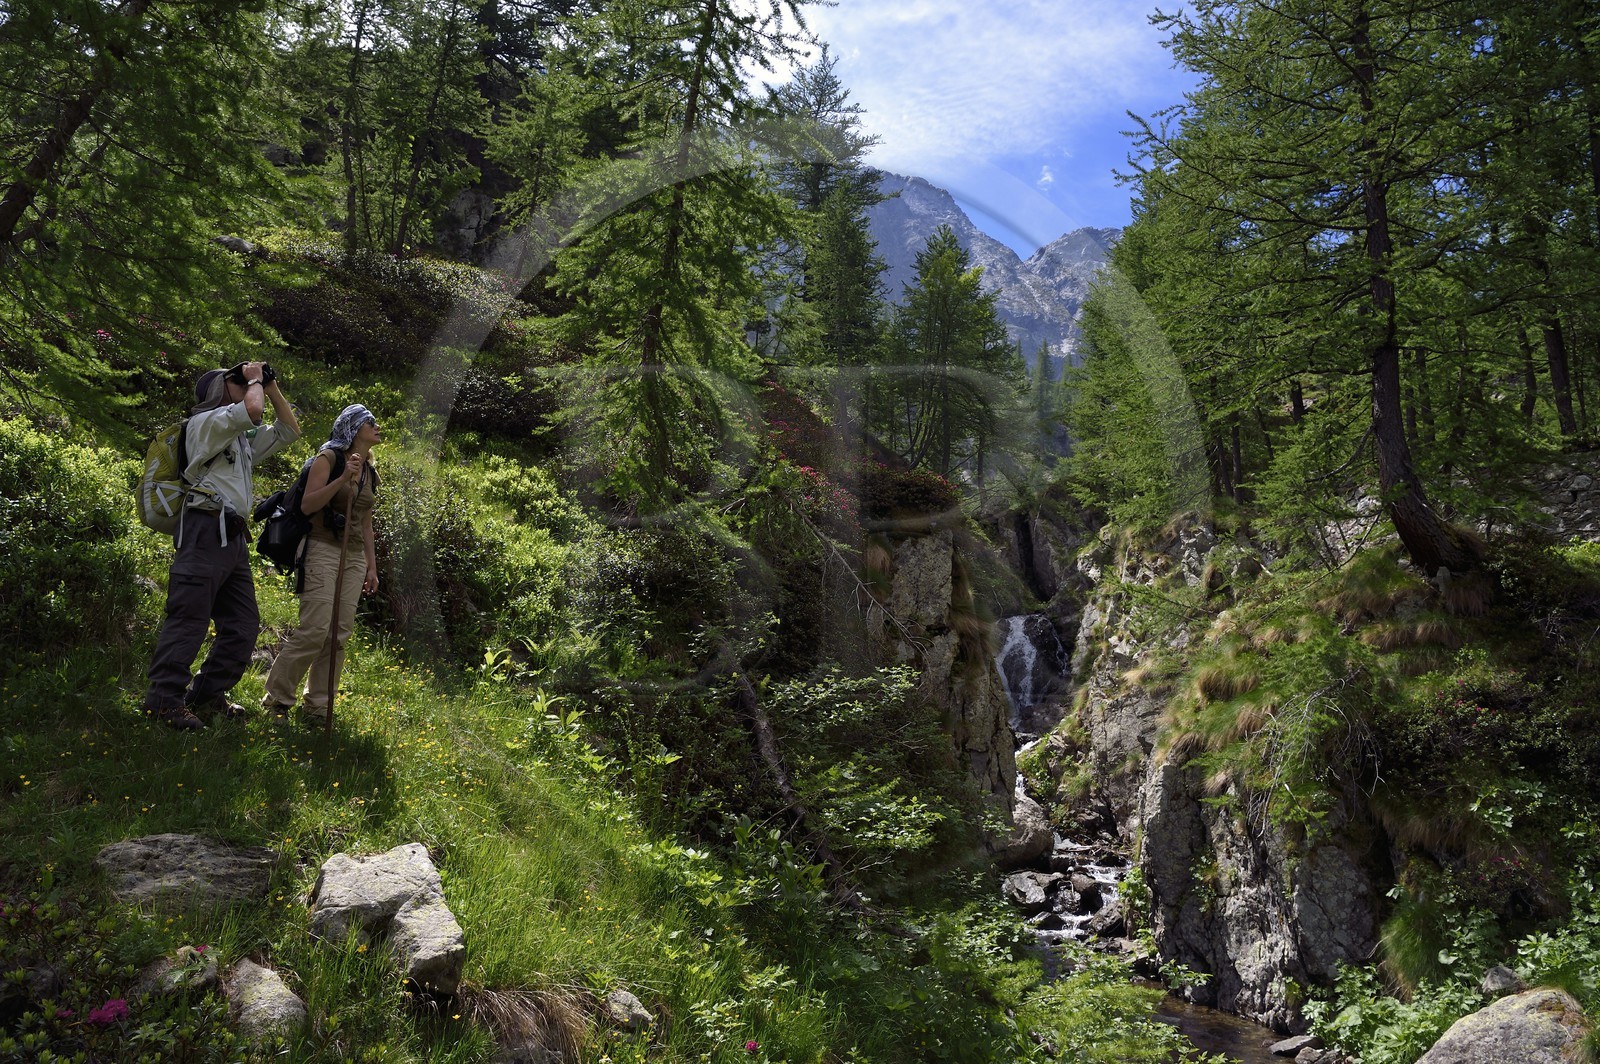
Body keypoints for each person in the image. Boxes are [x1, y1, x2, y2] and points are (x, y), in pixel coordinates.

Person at [143, 361, 301, 730]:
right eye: (237, 381)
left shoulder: (238, 439)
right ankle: (163, 702)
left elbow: (289, 430)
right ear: (218, 390)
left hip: (231, 537)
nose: (246, 385)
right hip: (203, 528)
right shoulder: (205, 424)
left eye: (247, 382)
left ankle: (206, 696)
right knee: (189, 618)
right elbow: (253, 410)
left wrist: (270, 385)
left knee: (243, 625)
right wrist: (256, 379)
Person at [261, 404, 382, 723]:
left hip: (353, 557)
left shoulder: (370, 472)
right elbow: (308, 504)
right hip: (321, 548)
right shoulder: (328, 459)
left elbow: (366, 524)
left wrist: (371, 567)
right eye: (370, 422)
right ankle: (277, 700)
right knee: (315, 628)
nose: (377, 426)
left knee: (338, 635)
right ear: (353, 429)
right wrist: (343, 478)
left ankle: (317, 707)